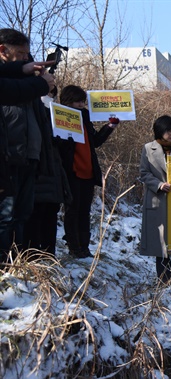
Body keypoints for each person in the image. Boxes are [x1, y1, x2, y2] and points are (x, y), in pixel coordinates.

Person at [0, 29, 57, 262]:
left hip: (29, 156)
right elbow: (13, 93)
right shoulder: (10, 86)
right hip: (8, 155)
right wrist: (39, 84)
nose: (26, 58)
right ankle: (5, 267)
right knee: (6, 215)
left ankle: (18, 263)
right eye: (21, 53)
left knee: (22, 214)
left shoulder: (24, 80)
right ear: (3, 51)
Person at [58, 85, 119, 258]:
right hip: (72, 171)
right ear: (67, 101)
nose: (80, 105)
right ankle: (74, 247)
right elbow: (59, 145)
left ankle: (84, 248)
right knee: (72, 210)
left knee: (84, 211)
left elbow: (95, 141)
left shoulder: (85, 117)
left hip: (88, 171)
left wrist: (109, 127)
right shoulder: (60, 116)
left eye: (82, 101)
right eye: (77, 101)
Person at [139, 115, 171, 285]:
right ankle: (164, 280)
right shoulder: (148, 148)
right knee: (161, 244)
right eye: (168, 131)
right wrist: (159, 184)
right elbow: (144, 173)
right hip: (158, 201)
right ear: (159, 131)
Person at [23, 83, 71, 256]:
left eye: (53, 93)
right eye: (48, 92)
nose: (51, 97)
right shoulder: (33, 111)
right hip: (39, 171)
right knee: (36, 215)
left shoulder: (56, 113)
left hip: (54, 172)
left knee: (50, 215)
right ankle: (34, 255)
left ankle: (49, 255)